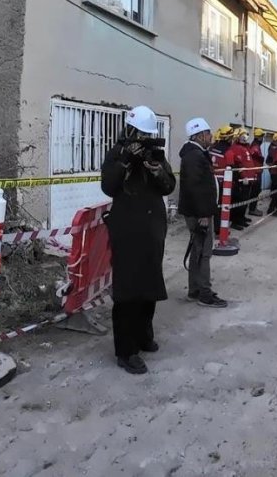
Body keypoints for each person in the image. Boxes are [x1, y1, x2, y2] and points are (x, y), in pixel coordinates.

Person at [101, 105, 176, 375]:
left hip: (153, 229)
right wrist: (125, 162)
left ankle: (144, 335)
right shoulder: (116, 154)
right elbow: (108, 186)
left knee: (149, 285)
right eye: (140, 134)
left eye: (147, 135)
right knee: (128, 291)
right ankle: (126, 350)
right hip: (127, 230)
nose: (142, 140)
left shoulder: (156, 154)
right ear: (130, 131)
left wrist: (156, 170)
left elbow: (169, 186)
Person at [178, 117, 228, 308]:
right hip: (199, 213)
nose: (211, 137)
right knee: (204, 252)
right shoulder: (194, 156)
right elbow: (195, 188)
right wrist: (203, 216)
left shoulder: (197, 153)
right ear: (199, 136)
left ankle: (195, 290)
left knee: (198, 251)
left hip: (200, 211)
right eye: (208, 134)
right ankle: (204, 294)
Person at [247, 128, 266, 216]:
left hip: (257, 171)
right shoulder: (255, 146)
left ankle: (252, 207)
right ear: (259, 137)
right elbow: (254, 155)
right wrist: (261, 158)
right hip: (255, 172)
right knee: (255, 191)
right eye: (262, 137)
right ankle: (252, 209)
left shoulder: (255, 145)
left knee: (256, 190)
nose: (262, 139)